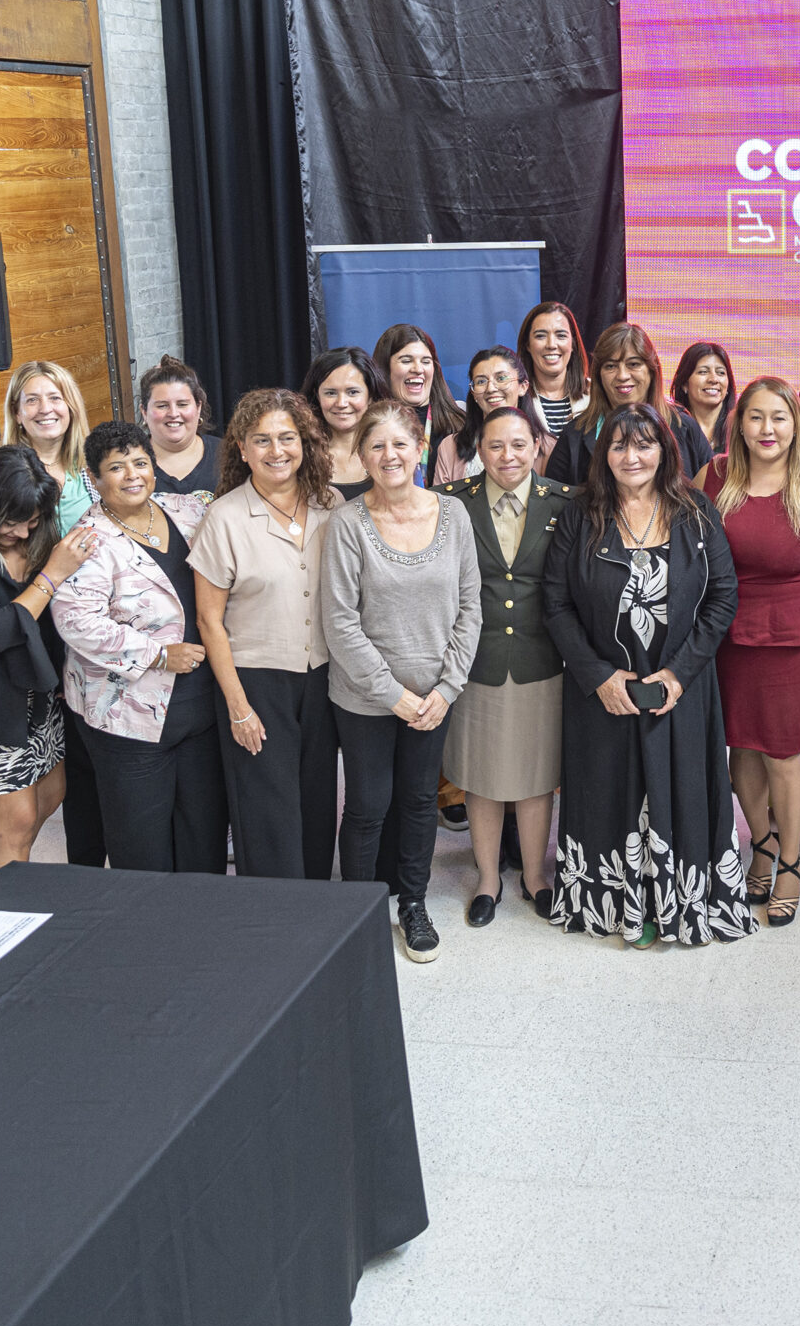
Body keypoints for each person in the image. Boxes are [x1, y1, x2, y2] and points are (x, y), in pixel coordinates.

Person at [543, 404, 749, 946]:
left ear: (665, 451)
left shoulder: (696, 511)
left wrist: (679, 674)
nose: (631, 457)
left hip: (681, 688)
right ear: (602, 455)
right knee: (607, 793)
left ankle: (680, 903)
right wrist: (598, 676)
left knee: (681, 791)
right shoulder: (579, 514)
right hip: (602, 693)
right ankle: (615, 905)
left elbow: (723, 597)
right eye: (619, 446)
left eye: (644, 444)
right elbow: (556, 604)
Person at [322, 401, 481, 960]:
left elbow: (470, 607)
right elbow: (340, 621)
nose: (389, 455)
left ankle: (413, 903)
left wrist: (446, 690)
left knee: (417, 802)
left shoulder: (453, 515)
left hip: (435, 698)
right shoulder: (347, 523)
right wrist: (394, 696)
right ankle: (359, 912)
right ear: (362, 456)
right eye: (376, 446)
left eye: (399, 444)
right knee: (368, 805)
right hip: (364, 697)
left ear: (420, 447)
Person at [0, 360, 105, 872]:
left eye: (34, 522)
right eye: (13, 523)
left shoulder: (55, 505)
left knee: (45, 800)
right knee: (9, 824)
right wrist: (52, 573)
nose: (23, 532)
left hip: (37, 692)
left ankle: (7, 882)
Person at [706, 379, 800, 927]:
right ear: (739, 424)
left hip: (792, 640)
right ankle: (760, 845)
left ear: (796, 424)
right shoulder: (715, 476)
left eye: (779, 417)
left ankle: (789, 861)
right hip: (727, 637)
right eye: (756, 417)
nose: (768, 429)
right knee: (741, 747)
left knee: (783, 753)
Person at [50, 421, 224, 874]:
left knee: (203, 834)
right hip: (127, 717)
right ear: (94, 478)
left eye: (141, 463)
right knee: (141, 844)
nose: (132, 475)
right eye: (116, 467)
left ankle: (203, 912)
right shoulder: (87, 540)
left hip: (201, 708)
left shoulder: (188, 509)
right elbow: (75, 620)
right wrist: (158, 654)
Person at [190, 389, 343, 882]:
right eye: (262, 440)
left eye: (287, 437)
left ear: (304, 443)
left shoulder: (331, 503)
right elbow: (209, 621)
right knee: (266, 811)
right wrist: (238, 706)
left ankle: (315, 903)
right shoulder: (224, 517)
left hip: (322, 676)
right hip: (256, 682)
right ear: (241, 449)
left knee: (318, 801)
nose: (276, 450)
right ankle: (276, 914)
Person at [441, 408, 567, 926]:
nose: (508, 456)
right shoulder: (451, 504)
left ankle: (536, 877)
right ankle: (488, 880)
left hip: (543, 660)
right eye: (495, 446)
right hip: (476, 660)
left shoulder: (565, 501)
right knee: (482, 775)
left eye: (519, 444)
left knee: (537, 775)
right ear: (480, 452)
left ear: (537, 446)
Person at [548, 323, 714, 484]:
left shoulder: (684, 427)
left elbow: (714, 491)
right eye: (611, 366)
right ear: (598, 375)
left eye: (633, 364)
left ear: (652, 370)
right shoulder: (574, 434)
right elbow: (553, 499)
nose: (622, 375)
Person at [0, 361, 96, 529]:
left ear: (71, 407)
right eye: (32, 400)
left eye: (55, 398)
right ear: (16, 413)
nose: (45, 409)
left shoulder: (95, 464)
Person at [435, 346, 555, 483]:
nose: (491, 388)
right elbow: (441, 497)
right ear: (473, 392)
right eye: (481, 381)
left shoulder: (548, 447)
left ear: (523, 386)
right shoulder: (450, 446)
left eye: (501, 378)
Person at [373, 324, 466, 483]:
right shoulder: (368, 427)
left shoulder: (460, 426)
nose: (418, 369)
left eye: (426, 361)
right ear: (385, 369)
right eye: (406, 360)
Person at [305, 345, 385, 499]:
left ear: (370, 395)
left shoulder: (390, 450)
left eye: (352, 392)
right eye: (331, 393)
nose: (341, 403)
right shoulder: (302, 454)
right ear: (317, 396)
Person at [140, 354, 222, 497]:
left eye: (182, 404)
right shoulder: (127, 464)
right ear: (144, 412)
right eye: (162, 406)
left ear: (198, 407)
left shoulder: (228, 455)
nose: (173, 413)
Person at [520, 300, 593, 437]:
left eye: (561, 335)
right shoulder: (516, 398)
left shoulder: (595, 394)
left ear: (573, 344)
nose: (551, 345)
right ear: (527, 345)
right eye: (540, 336)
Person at [673, 340, 736, 455]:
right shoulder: (671, 429)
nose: (714, 379)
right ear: (684, 384)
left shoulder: (740, 429)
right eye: (703, 372)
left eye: (721, 373)